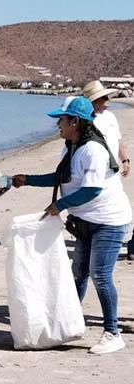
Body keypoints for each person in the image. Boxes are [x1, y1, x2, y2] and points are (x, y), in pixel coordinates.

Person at [13, 96, 131, 355]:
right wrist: (26, 179)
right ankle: (69, 323)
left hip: (108, 221)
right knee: (78, 273)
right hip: (86, 221)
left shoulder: (93, 150)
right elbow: (61, 177)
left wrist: (60, 205)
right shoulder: (72, 146)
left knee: (99, 274)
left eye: (61, 119)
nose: (58, 124)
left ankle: (113, 332)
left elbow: (91, 190)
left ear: (75, 122)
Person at [82, 81, 134, 260]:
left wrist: (124, 159)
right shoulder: (87, 121)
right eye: (104, 97)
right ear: (94, 101)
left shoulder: (111, 117)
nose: (108, 100)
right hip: (95, 172)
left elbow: (118, 140)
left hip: (111, 173)